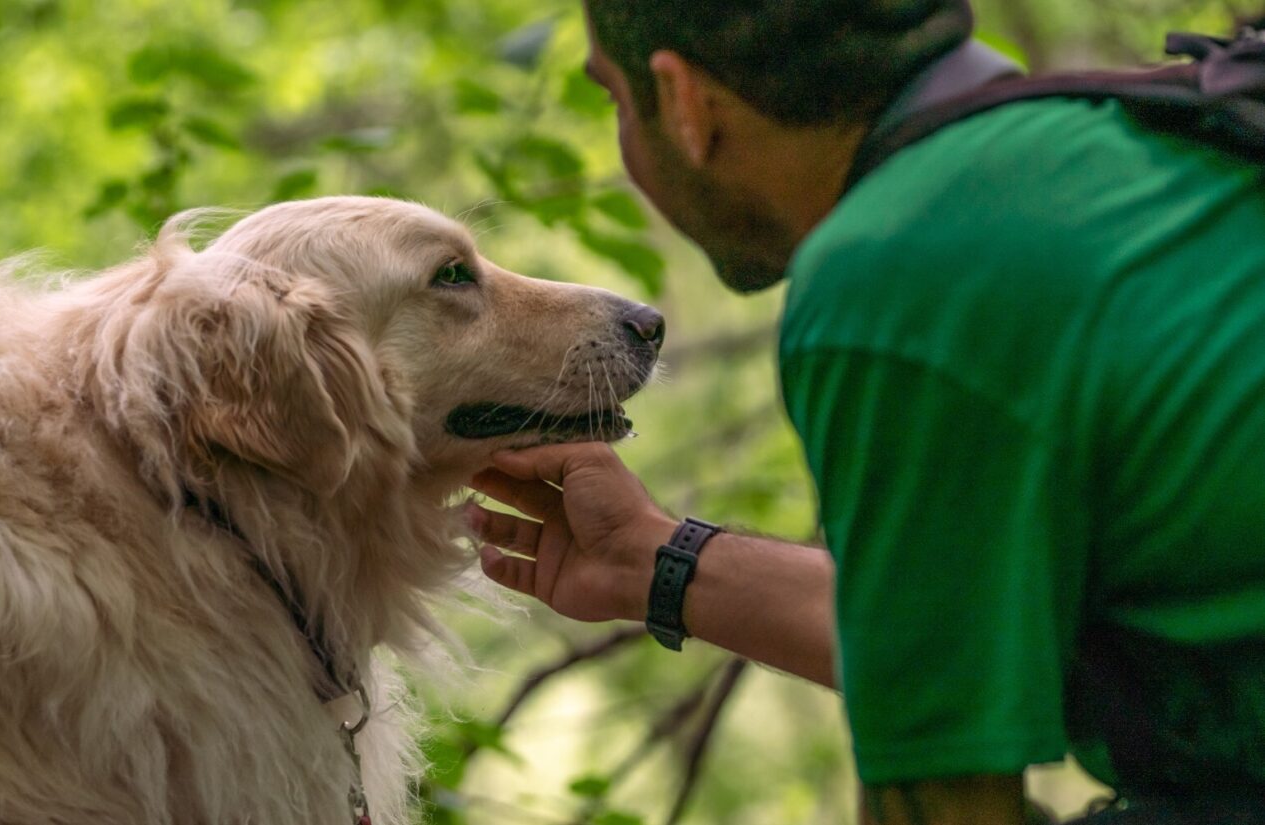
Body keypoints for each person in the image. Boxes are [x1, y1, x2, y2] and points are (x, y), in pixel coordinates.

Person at [464, 1, 1265, 823]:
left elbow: (944, 803)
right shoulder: (1111, 147)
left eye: (614, 99)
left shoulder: (899, 261)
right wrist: (652, 560)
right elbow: (942, 633)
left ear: (683, 102)